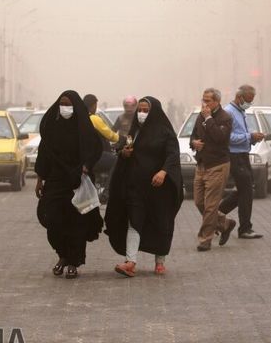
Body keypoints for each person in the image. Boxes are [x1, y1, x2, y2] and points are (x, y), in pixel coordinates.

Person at [105, 96, 183, 277]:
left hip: (158, 188)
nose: (141, 114)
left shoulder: (165, 132)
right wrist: (124, 153)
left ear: (154, 112)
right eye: (139, 110)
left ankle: (160, 261)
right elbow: (125, 151)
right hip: (136, 187)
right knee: (134, 221)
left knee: (160, 222)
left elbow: (172, 155)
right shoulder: (135, 131)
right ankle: (130, 262)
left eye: (145, 110)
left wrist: (163, 172)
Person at [35, 90, 103, 279]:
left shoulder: (84, 128)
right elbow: (44, 154)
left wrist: (86, 166)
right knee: (52, 220)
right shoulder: (52, 127)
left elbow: (96, 147)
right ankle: (62, 255)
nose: (65, 108)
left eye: (69, 104)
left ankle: (73, 261)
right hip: (56, 180)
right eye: (62, 104)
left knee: (76, 224)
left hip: (76, 181)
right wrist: (40, 179)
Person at [190, 88, 235, 251]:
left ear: (216, 101)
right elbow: (193, 135)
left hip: (217, 165)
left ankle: (205, 239)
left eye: (208, 100)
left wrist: (209, 118)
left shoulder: (225, 118)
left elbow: (220, 138)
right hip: (201, 165)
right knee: (199, 202)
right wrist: (193, 143)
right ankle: (225, 223)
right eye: (203, 100)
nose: (205, 104)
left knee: (210, 205)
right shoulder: (199, 116)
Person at [218, 84, 265, 239]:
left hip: (243, 155)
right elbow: (227, 138)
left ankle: (215, 216)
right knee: (246, 191)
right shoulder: (229, 112)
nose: (249, 103)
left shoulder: (241, 112)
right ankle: (244, 228)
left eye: (252, 100)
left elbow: (241, 133)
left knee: (245, 190)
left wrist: (252, 137)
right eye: (248, 100)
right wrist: (249, 137)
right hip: (234, 156)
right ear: (239, 97)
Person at [83, 94, 123, 202]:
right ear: (92, 105)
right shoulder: (94, 119)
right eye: (95, 105)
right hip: (95, 156)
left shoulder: (80, 118)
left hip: (83, 156)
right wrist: (122, 139)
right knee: (118, 161)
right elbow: (110, 135)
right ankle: (107, 192)